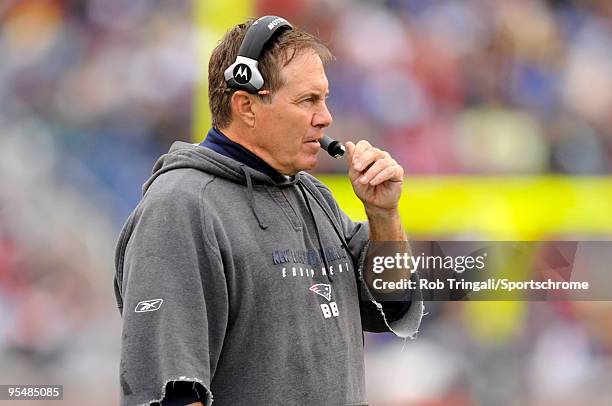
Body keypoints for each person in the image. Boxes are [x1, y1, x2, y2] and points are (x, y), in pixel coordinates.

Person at [114, 16, 423, 406]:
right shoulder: (181, 207)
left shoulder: (313, 197)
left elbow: (390, 302)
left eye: (324, 98)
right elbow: (171, 391)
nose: (325, 117)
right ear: (246, 106)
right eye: (307, 100)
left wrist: (384, 215)